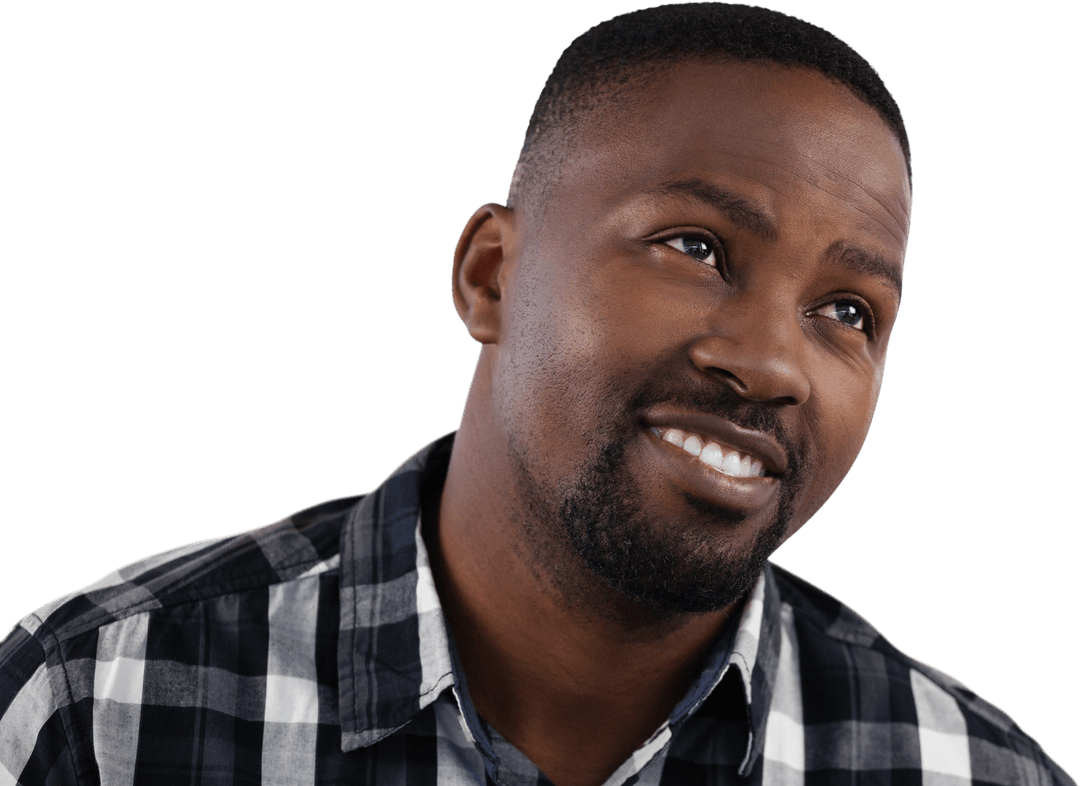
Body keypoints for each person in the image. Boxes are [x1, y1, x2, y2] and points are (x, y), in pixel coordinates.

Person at [0, 3, 1072, 784]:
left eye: (848, 312)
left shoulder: (975, 774)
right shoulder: (95, 707)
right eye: (697, 247)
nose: (773, 365)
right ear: (491, 276)